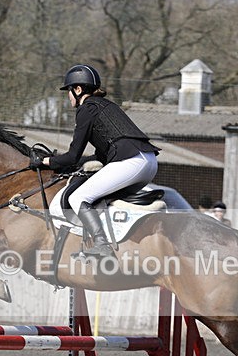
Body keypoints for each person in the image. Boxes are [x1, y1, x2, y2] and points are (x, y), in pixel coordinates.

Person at [34, 64, 160, 259]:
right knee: (100, 199)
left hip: (131, 162)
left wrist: (45, 161)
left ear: (78, 89)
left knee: (78, 198)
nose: (68, 97)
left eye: (69, 91)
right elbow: (100, 156)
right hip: (148, 162)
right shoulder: (107, 106)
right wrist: (73, 164)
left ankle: (101, 244)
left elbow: (72, 156)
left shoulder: (86, 109)